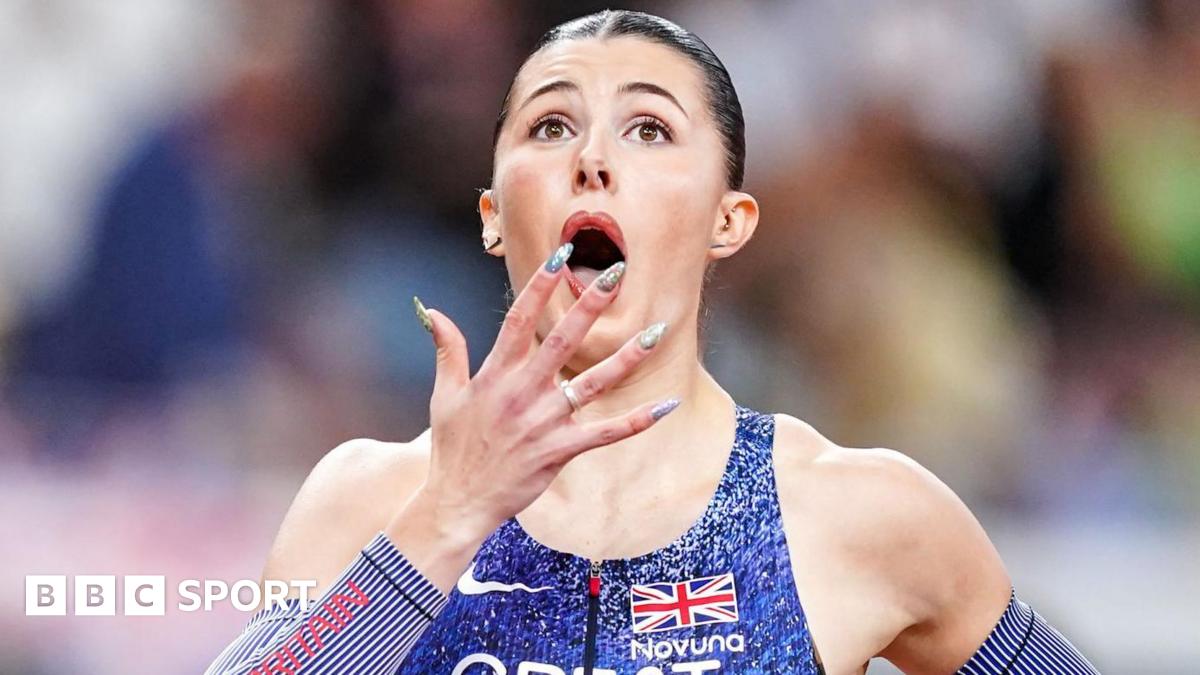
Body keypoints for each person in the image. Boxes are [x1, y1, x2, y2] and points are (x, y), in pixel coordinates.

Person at [206, 10, 1100, 675]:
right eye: (551, 127)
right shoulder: (367, 502)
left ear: (728, 219)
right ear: (491, 216)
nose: (593, 159)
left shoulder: (856, 514)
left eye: (650, 129)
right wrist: (449, 516)